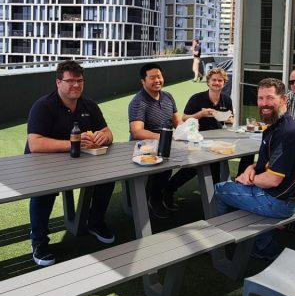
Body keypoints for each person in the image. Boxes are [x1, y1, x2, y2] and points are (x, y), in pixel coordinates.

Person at [26, 60, 115, 267]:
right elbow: (35, 143)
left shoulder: (88, 105)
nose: (76, 85)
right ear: (58, 82)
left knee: (108, 179)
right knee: (44, 191)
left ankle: (95, 222)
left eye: (80, 81)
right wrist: (72, 142)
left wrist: (105, 138)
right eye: (70, 81)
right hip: (43, 163)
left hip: (79, 161)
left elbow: (107, 131)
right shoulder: (43, 106)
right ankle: (39, 240)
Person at [213, 77, 295, 261]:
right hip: (285, 196)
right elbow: (269, 162)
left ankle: (222, 246)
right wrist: (251, 167)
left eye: (270, 98)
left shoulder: (285, 132)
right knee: (239, 190)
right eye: (260, 98)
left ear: (284, 99)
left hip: (280, 202)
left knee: (220, 189)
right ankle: (264, 245)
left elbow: (272, 180)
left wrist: (247, 179)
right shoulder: (276, 126)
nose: (264, 103)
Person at [128, 63, 187, 217]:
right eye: (152, 77)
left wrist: (187, 132)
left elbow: (177, 122)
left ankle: (168, 189)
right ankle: (153, 199)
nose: (157, 80)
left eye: (159, 76)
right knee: (163, 164)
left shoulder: (168, 96)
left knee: (194, 161)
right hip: (144, 147)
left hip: (166, 143)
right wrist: (165, 138)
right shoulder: (138, 101)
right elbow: (137, 132)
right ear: (143, 81)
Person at [179, 66, 235, 186]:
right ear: (208, 82)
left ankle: (214, 193)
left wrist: (230, 120)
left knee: (215, 165)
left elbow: (230, 119)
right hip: (197, 138)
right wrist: (201, 114)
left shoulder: (226, 99)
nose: (216, 83)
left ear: (224, 83)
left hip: (217, 139)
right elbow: (184, 118)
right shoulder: (197, 98)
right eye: (214, 80)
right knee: (193, 166)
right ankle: (169, 190)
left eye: (220, 80)